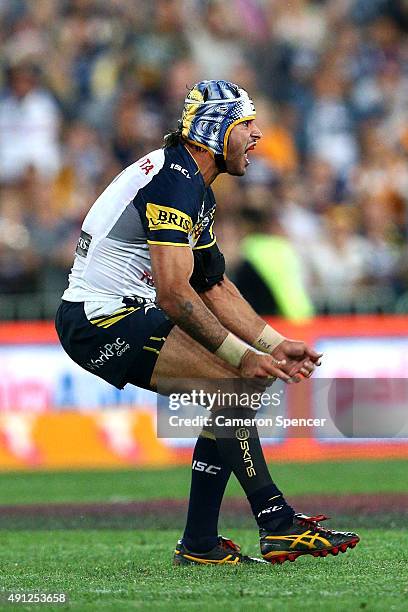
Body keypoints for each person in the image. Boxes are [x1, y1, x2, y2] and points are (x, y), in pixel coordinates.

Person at [55, 80, 359, 565]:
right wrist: (243, 355)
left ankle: (201, 543)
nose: (259, 135)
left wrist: (274, 343)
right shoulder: (175, 183)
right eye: (247, 124)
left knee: (236, 389)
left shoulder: (190, 185)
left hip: (117, 313)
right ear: (215, 130)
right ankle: (276, 524)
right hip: (101, 319)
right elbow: (176, 294)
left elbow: (213, 285)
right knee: (235, 384)